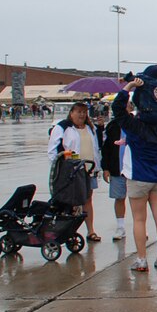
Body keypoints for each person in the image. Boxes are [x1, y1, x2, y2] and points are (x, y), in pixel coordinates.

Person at [112, 69, 157, 272]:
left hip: (138, 177)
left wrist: (128, 88)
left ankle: (142, 259)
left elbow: (117, 109)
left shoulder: (134, 126)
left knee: (139, 219)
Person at [47, 102, 102, 241]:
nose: (82, 115)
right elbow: (52, 151)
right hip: (71, 171)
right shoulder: (63, 127)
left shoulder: (91, 127)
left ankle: (91, 231)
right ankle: (68, 231)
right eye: (79, 112)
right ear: (71, 113)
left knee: (88, 200)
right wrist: (60, 166)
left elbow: (97, 146)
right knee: (73, 201)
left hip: (89, 170)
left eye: (84, 112)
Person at [100, 100, 133, 241]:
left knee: (138, 198)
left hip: (134, 169)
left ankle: (140, 227)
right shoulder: (112, 126)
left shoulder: (136, 123)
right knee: (119, 198)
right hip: (117, 168)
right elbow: (106, 148)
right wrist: (105, 167)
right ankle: (120, 227)